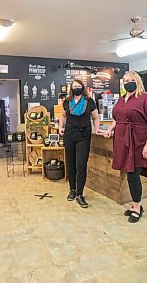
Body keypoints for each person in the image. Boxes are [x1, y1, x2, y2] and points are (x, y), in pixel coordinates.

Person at [103, 71, 147, 223]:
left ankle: (137, 207)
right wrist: (110, 129)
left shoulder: (146, 98)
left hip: (138, 141)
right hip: (122, 141)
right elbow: (118, 118)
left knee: (133, 175)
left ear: (137, 81)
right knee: (129, 174)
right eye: (125, 80)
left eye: (131, 80)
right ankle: (136, 205)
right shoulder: (122, 99)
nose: (128, 82)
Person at [58, 79, 100, 208]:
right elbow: (63, 116)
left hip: (83, 136)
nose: (76, 88)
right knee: (70, 163)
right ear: (71, 88)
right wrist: (60, 127)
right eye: (74, 86)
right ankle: (72, 189)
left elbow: (95, 117)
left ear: (83, 88)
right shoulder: (67, 101)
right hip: (69, 135)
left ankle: (80, 194)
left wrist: (97, 128)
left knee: (81, 164)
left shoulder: (89, 102)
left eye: (79, 86)